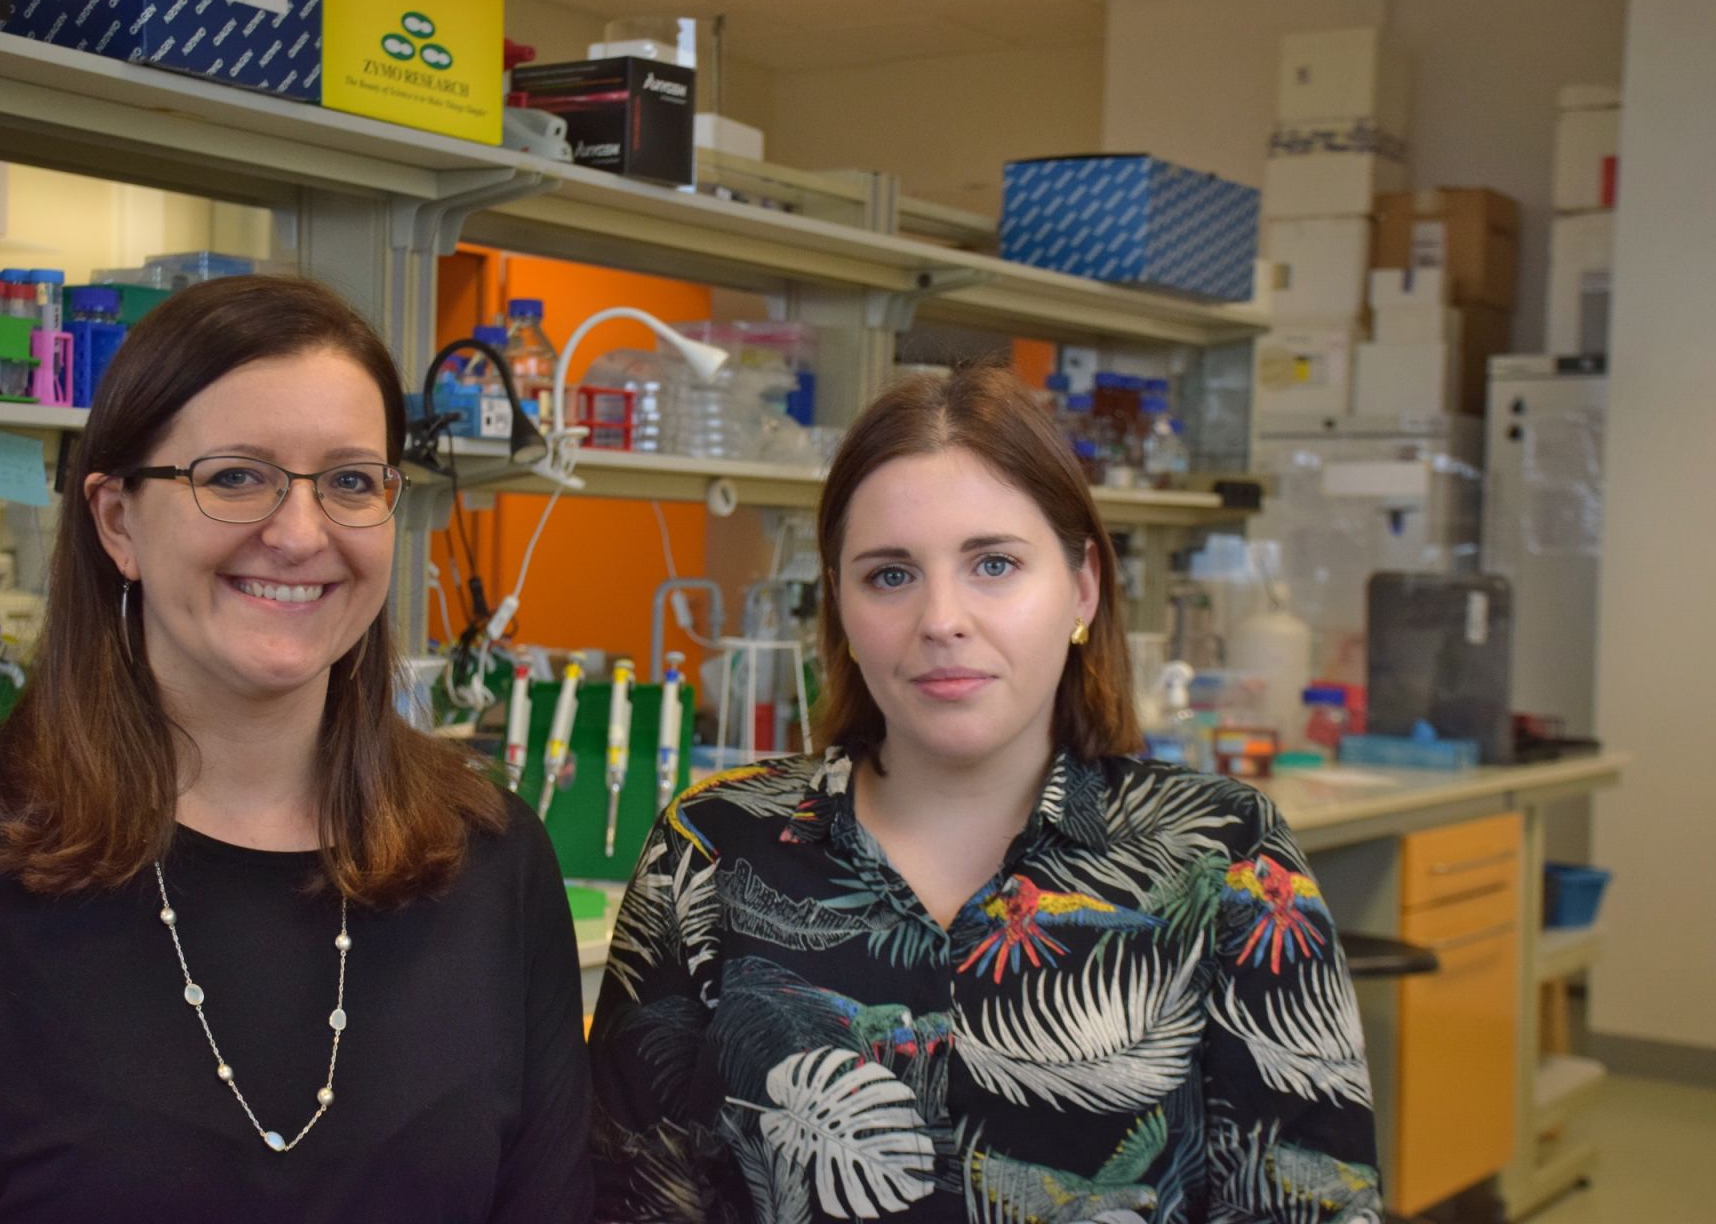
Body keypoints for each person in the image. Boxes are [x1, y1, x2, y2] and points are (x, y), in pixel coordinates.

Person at [0, 276, 592, 1222]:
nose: (299, 533)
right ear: (118, 521)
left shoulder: (493, 861)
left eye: (348, 481)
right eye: (234, 477)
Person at [589, 367, 1380, 1223]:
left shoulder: (1225, 853)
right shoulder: (711, 849)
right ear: (841, 612)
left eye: (993, 564)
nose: (942, 618)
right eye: (889, 575)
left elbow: (1311, 1202)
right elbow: (630, 1193)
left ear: (1082, 588)